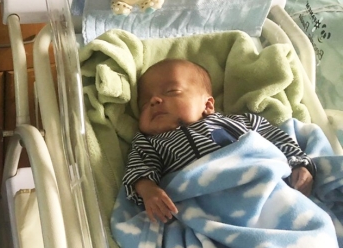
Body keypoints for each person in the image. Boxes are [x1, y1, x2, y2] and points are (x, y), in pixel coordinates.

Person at [123, 58, 315, 224]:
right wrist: (149, 191)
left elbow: (276, 138)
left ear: (207, 105)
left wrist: (299, 164)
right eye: (144, 104)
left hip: (265, 189)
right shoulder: (149, 142)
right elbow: (139, 168)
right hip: (207, 211)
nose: (154, 100)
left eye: (171, 91)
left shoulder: (241, 122)